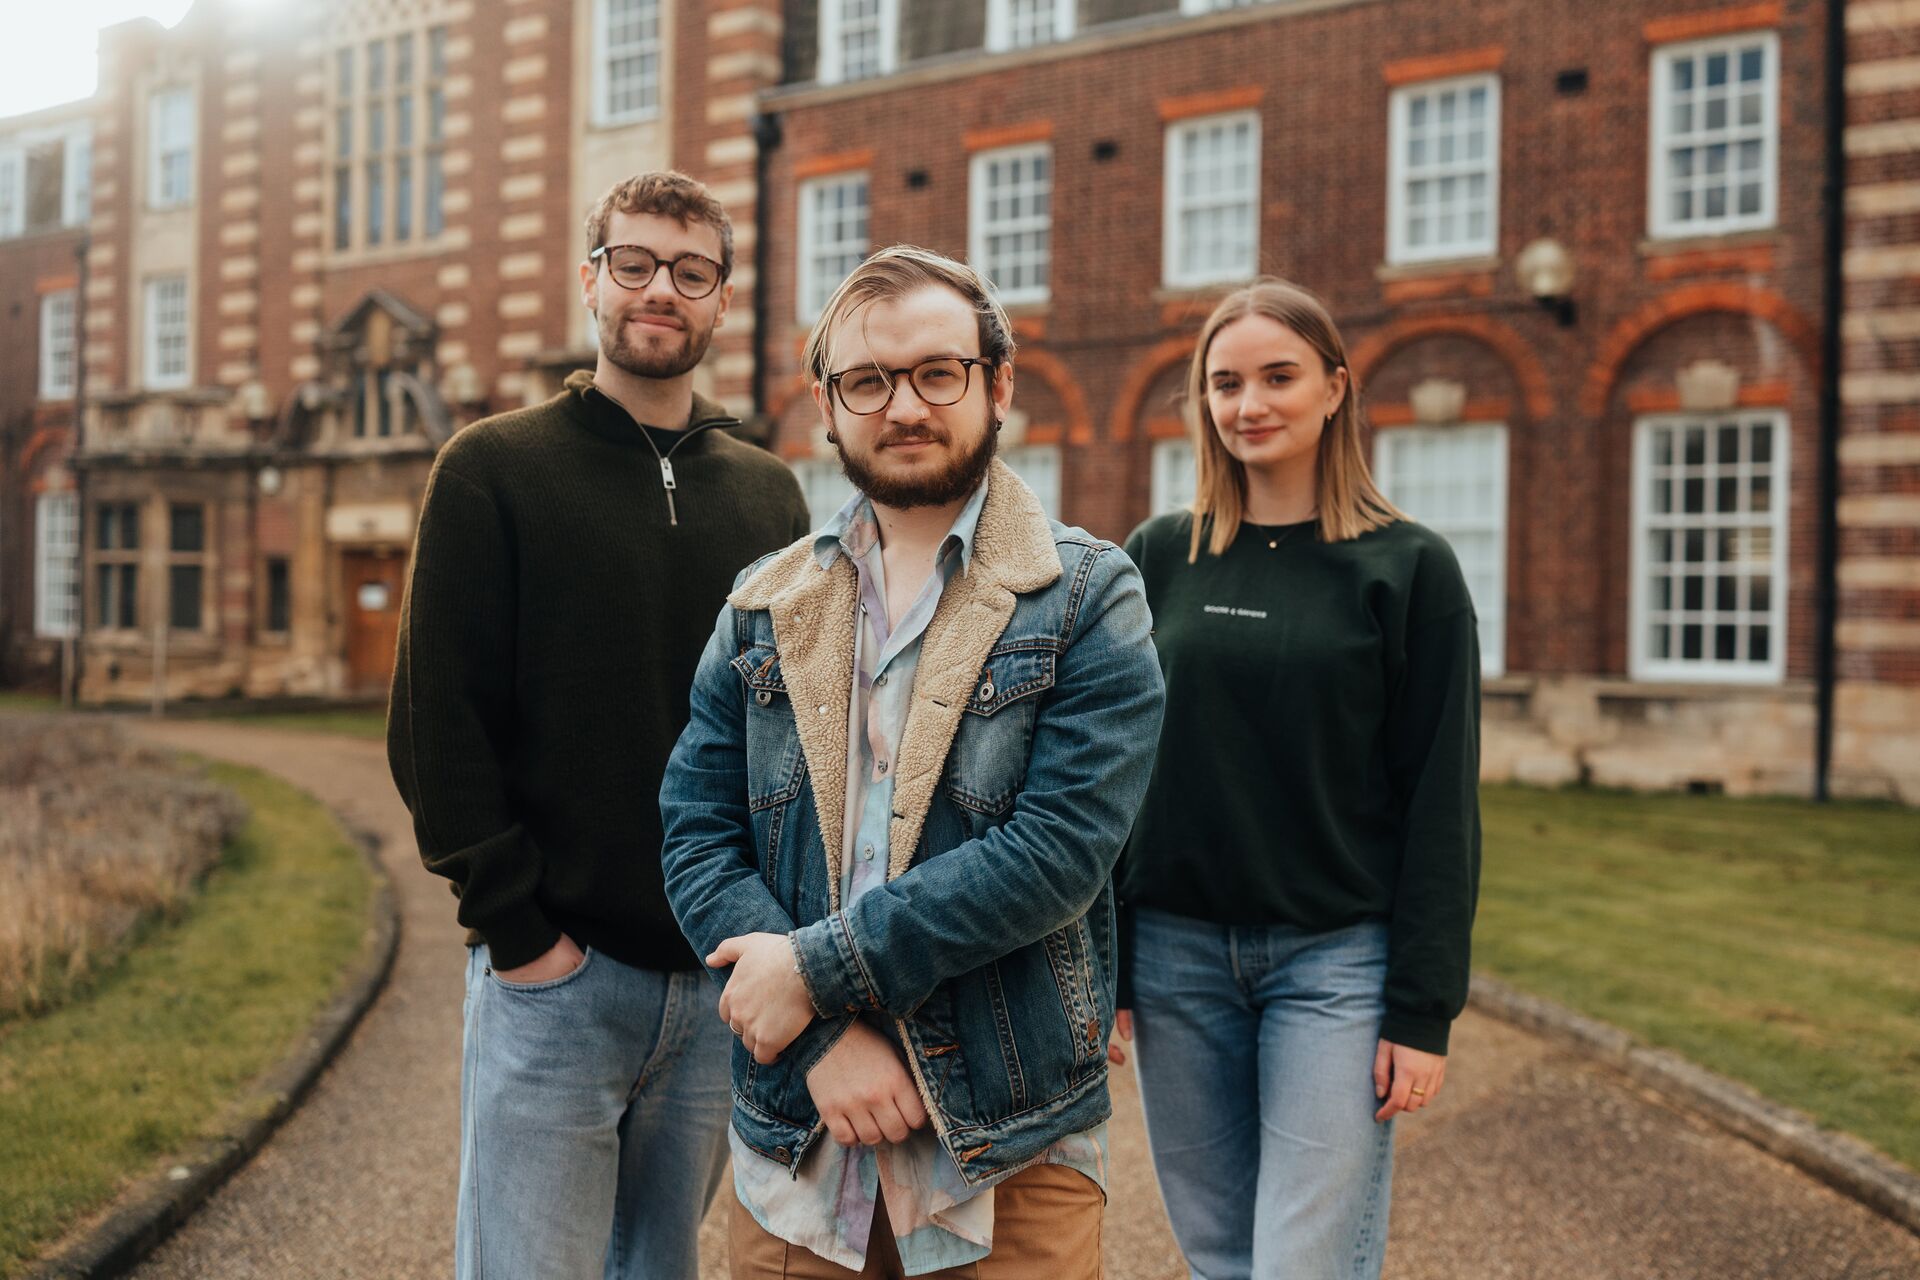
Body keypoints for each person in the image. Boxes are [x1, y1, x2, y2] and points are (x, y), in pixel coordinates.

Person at [658, 245, 1165, 1279]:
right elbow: (697, 833)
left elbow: (1055, 853)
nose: (905, 406)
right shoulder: (764, 601)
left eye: (939, 372)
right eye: (868, 381)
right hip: (799, 1158)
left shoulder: (1086, 597)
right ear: (826, 404)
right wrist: (815, 1040)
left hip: (1007, 1146)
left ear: (999, 381)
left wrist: (810, 970)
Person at [387, 171, 812, 1280]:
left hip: (718, 981)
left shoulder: (771, 498)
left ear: (721, 298)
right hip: (557, 982)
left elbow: (790, 733)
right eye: (634, 263)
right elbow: (437, 724)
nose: (659, 289)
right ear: (593, 280)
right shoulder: (491, 468)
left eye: (691, 270)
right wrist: (523, 938)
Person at [1111, 279, 1482, 1280]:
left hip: (1336, 965)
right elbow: (1109, 771)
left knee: (1302, 1262)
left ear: (1334, 389)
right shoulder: (1159, 556)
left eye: (1278, 376)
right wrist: (1107, 961)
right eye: (1224, 383)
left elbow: (1441, 801)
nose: (1249, 404)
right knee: (1221, 1253)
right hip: (1176, 961)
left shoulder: (1408, 569)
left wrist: (1421, 1007)